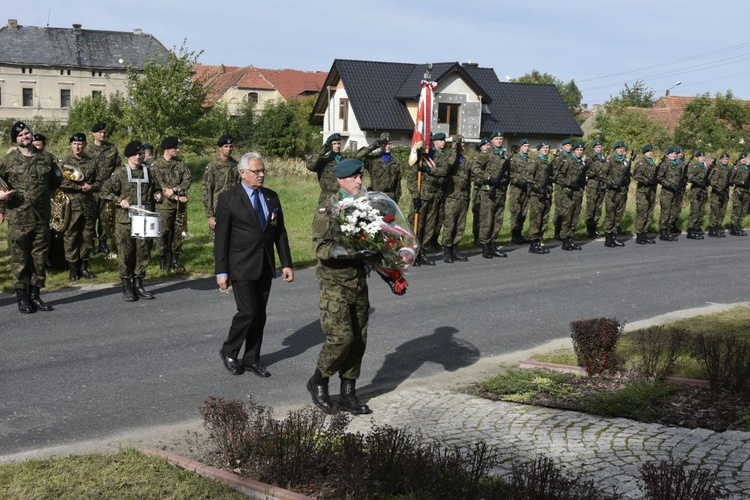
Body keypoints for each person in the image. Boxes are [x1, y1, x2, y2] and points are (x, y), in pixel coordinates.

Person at [215, 152, 293, 377]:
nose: (261, 175)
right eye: (256, 171)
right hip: (240, 264)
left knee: (260, 314)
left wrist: (286, 263)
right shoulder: (229, 198)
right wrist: (221, 271)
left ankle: (252, 359)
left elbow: (280, 232)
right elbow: (222, 238)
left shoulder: (271, 197)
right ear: (243, 173)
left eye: (262, 171)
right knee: (248, 311)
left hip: (265, 264)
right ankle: (229, 350)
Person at [307, 158, 375, 415]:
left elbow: (377, 240)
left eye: (361, 176)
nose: (359, 181)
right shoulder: (328, 208)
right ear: (340, 181)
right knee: (341, 338)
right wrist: (352, 251)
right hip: (335, 282)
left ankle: (348, 391)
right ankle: (319, 381)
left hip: (358, 281)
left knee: (358, 340)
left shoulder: (366, 206)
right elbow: (320, 248)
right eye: (355, 177)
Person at [0, 121, 62, 313]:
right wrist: (1, 204)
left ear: (32, 135)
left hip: (41, 217)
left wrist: (41, 197)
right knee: (20, 259)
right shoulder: (8, 161)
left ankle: (35, 295)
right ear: (15, 140)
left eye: (26, 133)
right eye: (20, 135)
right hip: (18, 217)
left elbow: (56, 181)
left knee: (39, 258)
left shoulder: (47, 158)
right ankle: (22, 297)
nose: (24, 137)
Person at [100, 141, 160, 302]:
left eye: (141, 154)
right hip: (125, 221)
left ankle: (139, 284)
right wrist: (120, 200)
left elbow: (157, 187)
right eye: (135, 154)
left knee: (143, 253)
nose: (138, 157)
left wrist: (157, 194)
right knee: (126, 254)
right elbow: (104, 191)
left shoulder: (148, 171)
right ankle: (126, 285)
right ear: (129, 155)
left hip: (144, 219)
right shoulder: (120, 173)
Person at [60, 132, 100, 280]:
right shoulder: (65, 161)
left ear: (85, 145)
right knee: (71, 236)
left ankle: (84, 267)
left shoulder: (92, 161)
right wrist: (79, 187)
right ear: (71, 145)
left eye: (80, 144)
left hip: (89, 205)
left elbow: (100, 181)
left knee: (88, 236)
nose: (77, 146)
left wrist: (91, 187)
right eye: (75, 144)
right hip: (72, 205)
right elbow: (61, 182)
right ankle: (72, 268)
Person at [151, 136, 192, 271]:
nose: (177, 150)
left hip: (179, 205)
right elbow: (158, 186)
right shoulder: (156, 166)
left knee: (179, 233)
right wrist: (171, 195)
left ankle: (175, 261)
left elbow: (187, 180)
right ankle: (163, 260)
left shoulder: (180, 165)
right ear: (167, 149)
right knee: (163, 233)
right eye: (175, 147)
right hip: (164, 206)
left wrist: (175, 190)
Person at [471, 131, 509, 258]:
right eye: (497, 139)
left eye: (501, 138)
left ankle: (493, 245)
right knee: (487, 220)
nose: (499, 141)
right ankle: (485, 246)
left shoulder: (504, 155)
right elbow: (476, 168)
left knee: (498, 220)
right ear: (492, 140)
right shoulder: (487, 154)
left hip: (501, 192)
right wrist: (488, 178)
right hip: (488, 192)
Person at [88, 122, 120, 255]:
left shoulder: (112, 148)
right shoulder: (87, 149)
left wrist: (114, 180)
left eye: (104, 132)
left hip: (107, 189)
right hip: (91, 190)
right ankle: (90, 245)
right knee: (90, 218)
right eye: (100, 132)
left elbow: (118, 166)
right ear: (94, 134)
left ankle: (103, 243)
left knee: (105, 218)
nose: (103, 134)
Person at [202, 134, 240, 239]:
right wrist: (210, 215)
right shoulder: (212, 167)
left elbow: (240, 188)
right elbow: (207, 191)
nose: (229, 149)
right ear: (220, 148)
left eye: (231, 146)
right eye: (226, 146)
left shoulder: (237, 166)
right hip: (218, 209)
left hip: (234, 208)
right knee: (219, 243)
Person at [440, 135, 470, 262]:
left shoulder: (465, 160)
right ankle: (446, 250)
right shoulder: (449, 158)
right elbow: (449, 165)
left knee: (460, 225)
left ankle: (455, 249)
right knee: (450, 224)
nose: (462, 146)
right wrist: (453, 149)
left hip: (463, 197)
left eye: (463, 144)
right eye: (459, 144)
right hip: (452, 197)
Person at [555, 141, 586, 250]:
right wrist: (569, 184)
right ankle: (564, 240)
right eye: (577, 150)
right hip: (568, 194)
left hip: (578, 193)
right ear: (574, 151)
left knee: (575, 218)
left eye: (581, 150)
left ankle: (570, 239)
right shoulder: (568, 161)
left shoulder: (582, 163)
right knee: (567, 218)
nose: (579, 152)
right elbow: (558, 176)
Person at [355, 132, 402, 202]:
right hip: (375, 197)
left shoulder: (395, 162)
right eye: (385, 144)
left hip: (390, 199)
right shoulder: (373, 160)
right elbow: (358, 157)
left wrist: (395, 203)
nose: (387, 146)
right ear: (380, 145)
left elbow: (398, 186)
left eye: (389, 144)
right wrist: (374, 146)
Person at [525, 141, 553, 254]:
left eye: (547, 148)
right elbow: (527, 177)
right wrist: (537, 187)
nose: (546, 150)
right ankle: (533, 243)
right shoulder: (535, 161)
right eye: (543, 148)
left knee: (544, 219)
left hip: (547, 194)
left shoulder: (548, 162)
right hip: (536, 195)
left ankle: (539, 241)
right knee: (536, 219)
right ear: (539, 150)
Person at [602, 141, 631, 247]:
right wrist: (611, 183)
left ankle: (614, 237)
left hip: (622, 192)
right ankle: (608, 238)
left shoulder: (626, 161)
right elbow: (602, 174)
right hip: (612, 192)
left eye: (622, 148)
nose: (621, 150)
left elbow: (628, 176)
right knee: (610, 215)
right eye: (619, 148)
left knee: (618, 216)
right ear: (615, 149)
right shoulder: (611, 161)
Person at [631, 144, 658, 244]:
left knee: (649, 214)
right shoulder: (641, 163)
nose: (650, 153)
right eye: (648, 151)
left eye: (651, 151)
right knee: (642, 213)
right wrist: (646, 180)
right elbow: (636, 175)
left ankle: (645, 234)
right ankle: (639, 235)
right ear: (644, 153)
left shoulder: (653, 164)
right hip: (643, 192)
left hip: (652, 192)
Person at [508, 138, 532, 244]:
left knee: (523, 213)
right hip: (516, 190)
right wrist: (516, 182)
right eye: (525, 146)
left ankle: (519, 234)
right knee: (516, 212)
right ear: (520, 147)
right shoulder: (514, 159)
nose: (527, 148)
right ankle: (514, 235)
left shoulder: (529, 160)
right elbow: (509, 173)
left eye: (528, 146)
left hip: (526, 190)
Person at [307, 132, 342, 203]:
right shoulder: (324, 160)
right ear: (329, 145)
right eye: (334, 144)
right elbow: (310, 166)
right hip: (327, 197)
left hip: (342, 196)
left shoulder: (344, 160)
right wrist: (324, 150)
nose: (337, 146)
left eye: (338, 143)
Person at [657, 147, 681, 242]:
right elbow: (659, 177)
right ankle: (663, 232)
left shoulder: (677, 165)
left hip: (675, 192)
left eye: (675, 153)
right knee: (665, 212)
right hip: (667, 192)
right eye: (671, 153)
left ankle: (668, 230)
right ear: (668, 155)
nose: (674, 155)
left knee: (673, 212)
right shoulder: (665, 164)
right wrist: (669, 185)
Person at [707, 152, 734, 237]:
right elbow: (712, 181)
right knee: (715, 211)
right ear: (720, 160)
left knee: (722, 211)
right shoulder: (717, 168)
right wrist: (719, 189)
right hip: (717, 193)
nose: (725, 160)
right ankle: (712, 229)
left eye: (726, 159)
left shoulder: (729, 169)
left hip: (725, 193)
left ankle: (718, 227)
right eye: (723, 159)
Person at [584, 141, 607, 237]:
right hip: (593, 186)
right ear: (593, 148)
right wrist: (594, 174)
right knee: (591, 207)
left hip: (601, 185)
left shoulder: (603, 158)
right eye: (596, 147)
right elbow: (585, 172)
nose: (598, 148)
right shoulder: (590, 158)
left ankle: (595, 227)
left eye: (600, 147)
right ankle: (589, 229)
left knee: (598, 207)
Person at [552, 138, 573, 240]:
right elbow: (555, 174)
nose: (569, 147)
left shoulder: (572, 157)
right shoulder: (559, 157)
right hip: (560, 187)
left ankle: (565, 232)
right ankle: (557, 231)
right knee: (560, 209)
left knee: (567, 210)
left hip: (570, 188)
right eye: (567, 145)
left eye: (570, 145)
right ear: (563, 146)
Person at [471, 137, 490, 245]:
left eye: (488, 145)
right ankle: (476, 236)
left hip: (486, 189)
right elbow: (473, 175)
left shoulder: (490, 158)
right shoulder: (477, 159)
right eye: (485, 145)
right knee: (477, 213)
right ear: (481, 147)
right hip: (478, 189)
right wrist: (482, 179)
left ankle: (484, 236)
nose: (487, 147)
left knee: (485, 214)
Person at [686, 151, 709, 239]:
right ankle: (691, 231)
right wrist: (700, 182)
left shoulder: (704, 167)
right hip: (696, 192)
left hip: (703, 192)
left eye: (703, 157)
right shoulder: (695, 166)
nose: (702, 158)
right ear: (696, 158)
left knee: (700, 211)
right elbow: (690, 177)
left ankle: (695, 229)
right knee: (695, 211)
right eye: (700, 157)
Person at [729, 153, 750, 236]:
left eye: (745, 158)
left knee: (743, 211)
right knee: (737, 210)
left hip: (747, 192)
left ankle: (738, 226)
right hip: (738, 191)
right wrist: (742, 182)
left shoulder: (748, 168)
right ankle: (734, 227)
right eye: (742, 158)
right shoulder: (736, 168)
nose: (744, 160)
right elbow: (731, 180)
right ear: (740, 159)